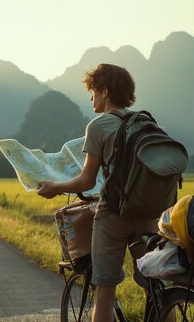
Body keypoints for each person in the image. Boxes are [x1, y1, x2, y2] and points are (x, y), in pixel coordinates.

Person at [37, 63, 157, 322]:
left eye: (92, 92)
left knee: (104, 289)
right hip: (148, 213)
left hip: (113, 215)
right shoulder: (145, 122)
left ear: (104, 91)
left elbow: (86, 180)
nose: (91, 98)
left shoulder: (98, 126)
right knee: (155, 286)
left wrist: (55, 187)